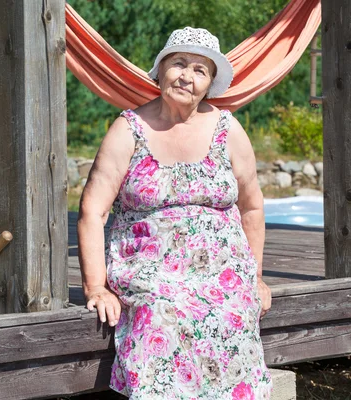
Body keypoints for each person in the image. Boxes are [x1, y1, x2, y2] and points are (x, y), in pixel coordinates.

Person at [77, 27, 273, 399]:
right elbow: (92, 212)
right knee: (164, 310)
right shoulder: (128, 129)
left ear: (210, 84)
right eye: (179, 64)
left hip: (222, 270)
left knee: (230, 308)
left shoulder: (227, 129)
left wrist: (257, 275)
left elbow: (251, 206)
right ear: (160, 70)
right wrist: (96, 287)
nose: (187, 76)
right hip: (152, 270)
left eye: (200, 70)